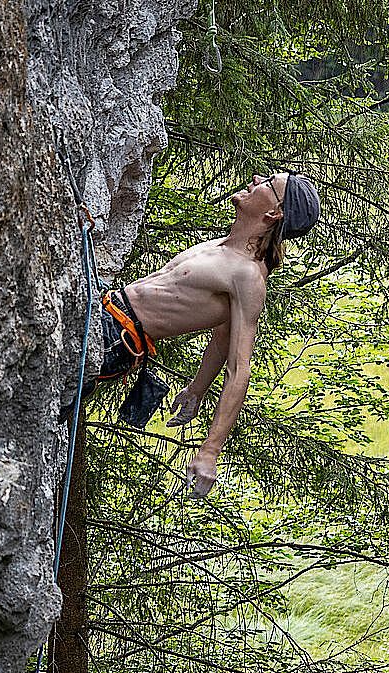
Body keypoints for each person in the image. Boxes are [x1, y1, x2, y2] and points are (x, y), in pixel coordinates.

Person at [92, 171, 320, 497]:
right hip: (106, 313)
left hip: (114, 337)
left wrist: (210, 451)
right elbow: (223, 334)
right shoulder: (222, 247)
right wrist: (196, 390)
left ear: (273, 213)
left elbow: (239, 370)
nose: (256, 178)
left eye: (268, 182)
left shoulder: (247, 277)